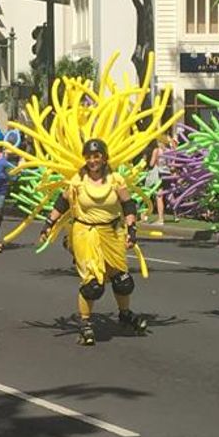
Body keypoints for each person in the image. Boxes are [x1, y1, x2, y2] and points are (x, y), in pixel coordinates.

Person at [39, 139, 146, 346]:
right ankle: (85, 322)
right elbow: (62, 203)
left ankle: (124, 314)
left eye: (96, 156)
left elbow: (128, 205)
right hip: (85, 232)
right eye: (89, 157)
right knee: (93, 284)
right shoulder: (78, 181)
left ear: (104, 157)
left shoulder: (115, 179)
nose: (92, 160)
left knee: (123, 280)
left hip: (112, 231)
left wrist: (132, 230)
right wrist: (48, 223)